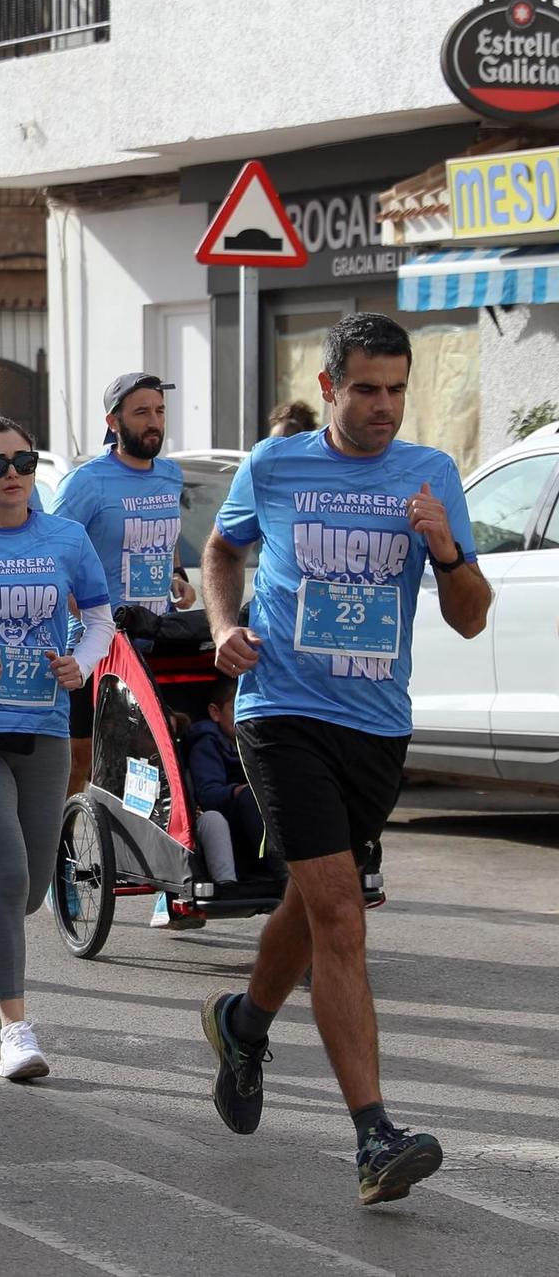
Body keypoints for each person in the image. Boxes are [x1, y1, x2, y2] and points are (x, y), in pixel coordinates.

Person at [202, 312, 488, 1207]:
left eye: (398, 388)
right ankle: (373, 1135)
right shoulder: (276, 465)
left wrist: (442, 547)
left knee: (311, 900)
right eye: (366, 388)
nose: (384, 406)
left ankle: (244, 1023)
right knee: (341, 910)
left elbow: (471, 614)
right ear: (330, 388)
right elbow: (221, 548)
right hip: (281, 710)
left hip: (376, 725)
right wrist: (223, 627)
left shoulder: (431, 473)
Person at [0, 417, 113, 1083]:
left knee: (37, 885)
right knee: (9, 872)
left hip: (41, 721)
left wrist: (81, 662)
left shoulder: (66, 537)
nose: (13, 472)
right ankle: (16, 1030)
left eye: (25, 459)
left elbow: (99, 616)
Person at [52, 372, 194, 800]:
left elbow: (164, 538)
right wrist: (84, 612)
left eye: (159, 411)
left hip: (151, 642)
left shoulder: (170, 475)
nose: (154, 421)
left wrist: (177, 576)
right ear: (113, 422)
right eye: (141, 412)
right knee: (82, 759)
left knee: (143, 758)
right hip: (95, 648)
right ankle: (49, 852)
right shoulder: (86, 482)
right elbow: (51, 552)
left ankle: (127, 856)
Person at [184, 677, 278, 884]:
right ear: (215, 713)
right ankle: (280, 868)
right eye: (237, 710)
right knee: (250, 795)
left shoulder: (258, 740)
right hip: (228, 819)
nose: (246, 718)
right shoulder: (207, 745)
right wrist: (238, 791)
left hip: (263, 817)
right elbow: (208, 795)